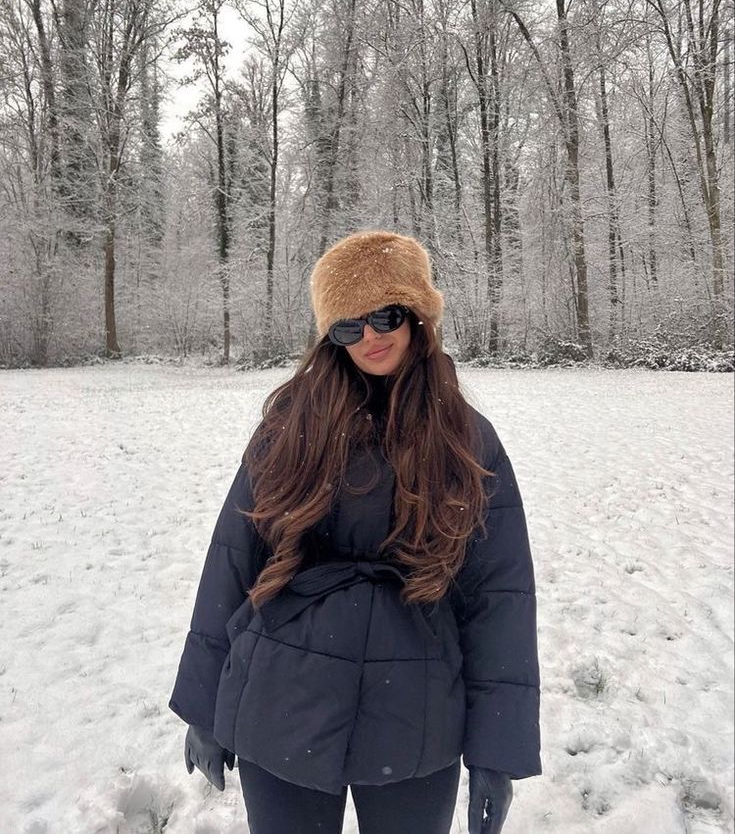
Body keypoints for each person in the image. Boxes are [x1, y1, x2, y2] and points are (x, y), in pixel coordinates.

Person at [169, 230, 542, 834]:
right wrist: (203, 706)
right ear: (330, 337)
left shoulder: (467, 439)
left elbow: (499, 594)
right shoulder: (289, 427)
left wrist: (498, 751)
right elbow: (233, 557)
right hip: (282, 694)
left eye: (385, 314)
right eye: (349, 325)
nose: (370, 335)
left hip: (416, 707)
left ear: (417, 315)